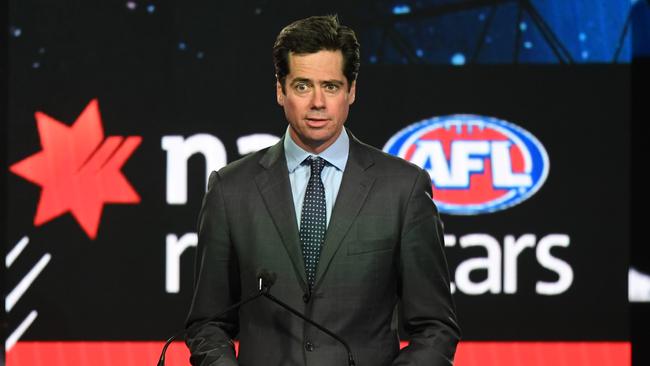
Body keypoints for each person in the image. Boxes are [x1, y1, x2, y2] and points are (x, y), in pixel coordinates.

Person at [185, 15, 460, 366]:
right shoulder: (231, 189)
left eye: (330, 86)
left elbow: (435, 328)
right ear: (280, 90)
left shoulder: (402, 189)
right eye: (302, 86)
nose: (317, 102)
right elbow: (208, 323)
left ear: (351, 90)